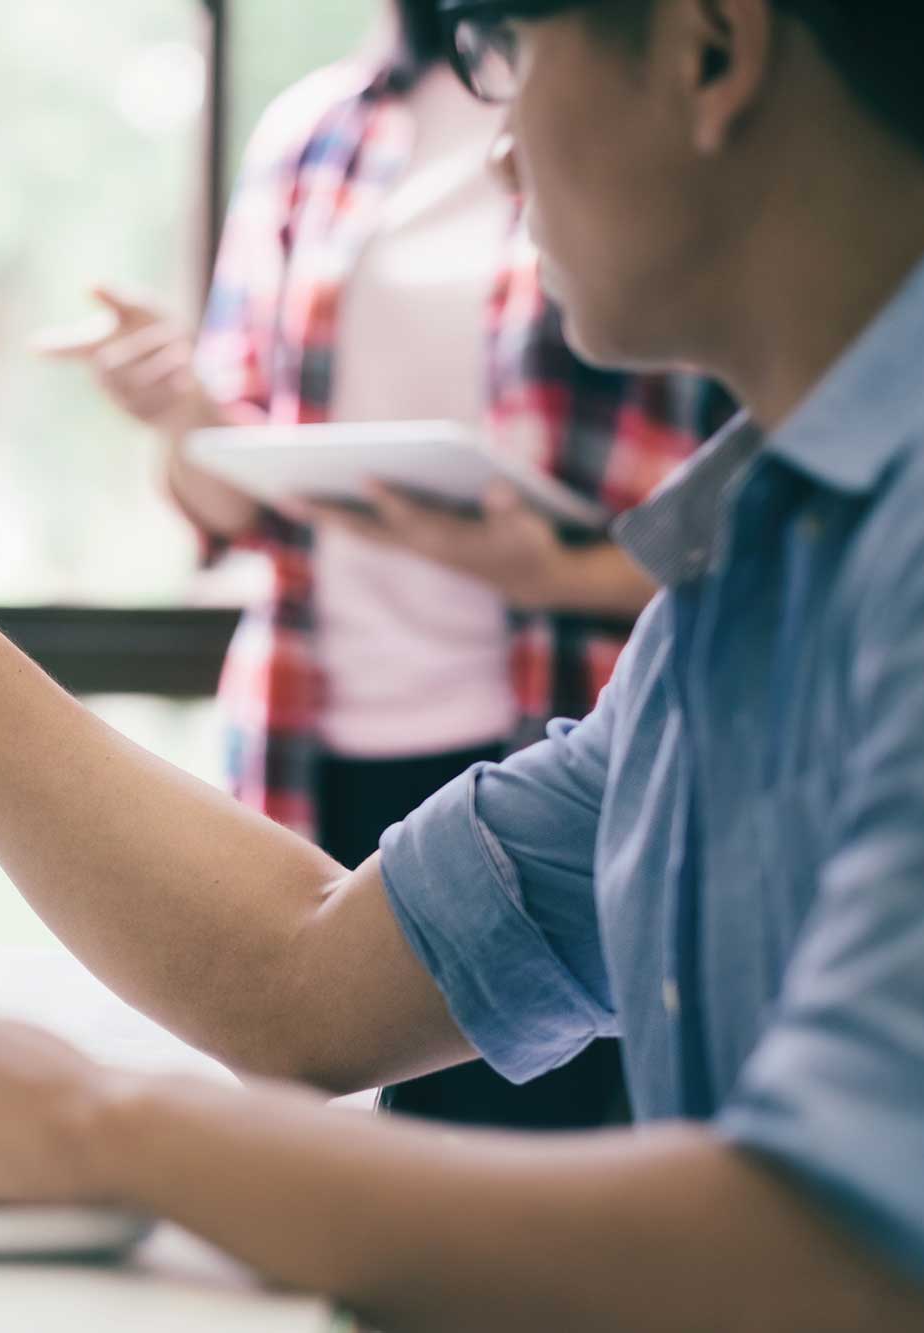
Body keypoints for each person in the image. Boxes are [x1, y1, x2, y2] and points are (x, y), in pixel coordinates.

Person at [0, 0, 924, 1325]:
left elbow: (849, 1257)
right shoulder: (754, 571)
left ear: (710, 50)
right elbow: (298, 976)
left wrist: (97, 1127)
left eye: (514, 52)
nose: (497, 150)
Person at [44, 0, 729, 1129]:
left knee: (520, 1157)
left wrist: (550, 577)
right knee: (338, 1086)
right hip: (317, 733)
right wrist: (185, 415)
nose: (508, 163)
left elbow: (731, 527)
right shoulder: (312, 131)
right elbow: (232, 498)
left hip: (553, 719)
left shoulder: (623, 112)